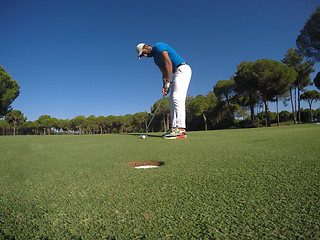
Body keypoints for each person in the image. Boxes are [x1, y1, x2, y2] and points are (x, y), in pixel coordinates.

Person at [136, 42, 192, 139]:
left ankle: (181, 130)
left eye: (143, 53)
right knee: (171, 100)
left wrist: (168, 82)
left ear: (146, 46)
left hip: (182, 69)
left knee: (177, 98)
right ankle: (174, 128)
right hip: (175, 73)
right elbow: (164, 72)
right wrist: (165, 86)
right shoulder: (155, 60)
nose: (145, 55)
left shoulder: (158, 46)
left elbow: (168, 63)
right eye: (142, 55)